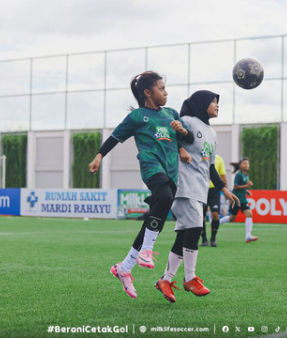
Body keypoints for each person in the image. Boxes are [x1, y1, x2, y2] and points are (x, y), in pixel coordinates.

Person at [88, 71, 194, 299]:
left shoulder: (172, 114)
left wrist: (182, 143)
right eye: (161, 89)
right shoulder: (137, 117)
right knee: (164, 198)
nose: (166, 92)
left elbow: (184, 140)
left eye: (165, 88)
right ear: (148, 93)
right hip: (151, 167)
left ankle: (124, 268)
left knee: (154, 217)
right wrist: (99, 155)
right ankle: (147, 251)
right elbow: (115, 137)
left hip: (171, 173)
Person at [154, 90, 239, 303]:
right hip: (183, 185)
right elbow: (167, 136)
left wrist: (224, 188)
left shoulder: (212, 133)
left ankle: (165, 280)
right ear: (201, 104)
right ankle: (190, 278)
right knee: (196, 228)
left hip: (200, 189)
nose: (217, 105)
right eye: (213, 101)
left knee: (184, 235)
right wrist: (180, 147)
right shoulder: (187, 120)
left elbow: (210, 166)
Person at [219, 158, 258, 243]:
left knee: (249, 214)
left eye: (247, 164)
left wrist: (246, 191)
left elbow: (242, 186)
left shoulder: (246, 174)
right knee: (232, 218)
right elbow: (235, 187)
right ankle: (216, 223)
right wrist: (246, 185)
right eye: (244, 163)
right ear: (240, 165)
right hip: (236, 200)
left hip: (243, 199)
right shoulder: (238, 174)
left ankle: (248, 236)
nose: (246, 165)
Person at [200, 154, 227, 247]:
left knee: (215, 214)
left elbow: (222, 176)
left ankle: (213, 238)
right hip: (201, 189)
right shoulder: (200, 156)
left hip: (214, 190)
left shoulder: (219, 159)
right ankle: (204, 239)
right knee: (201, 216)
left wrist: (225, 190)